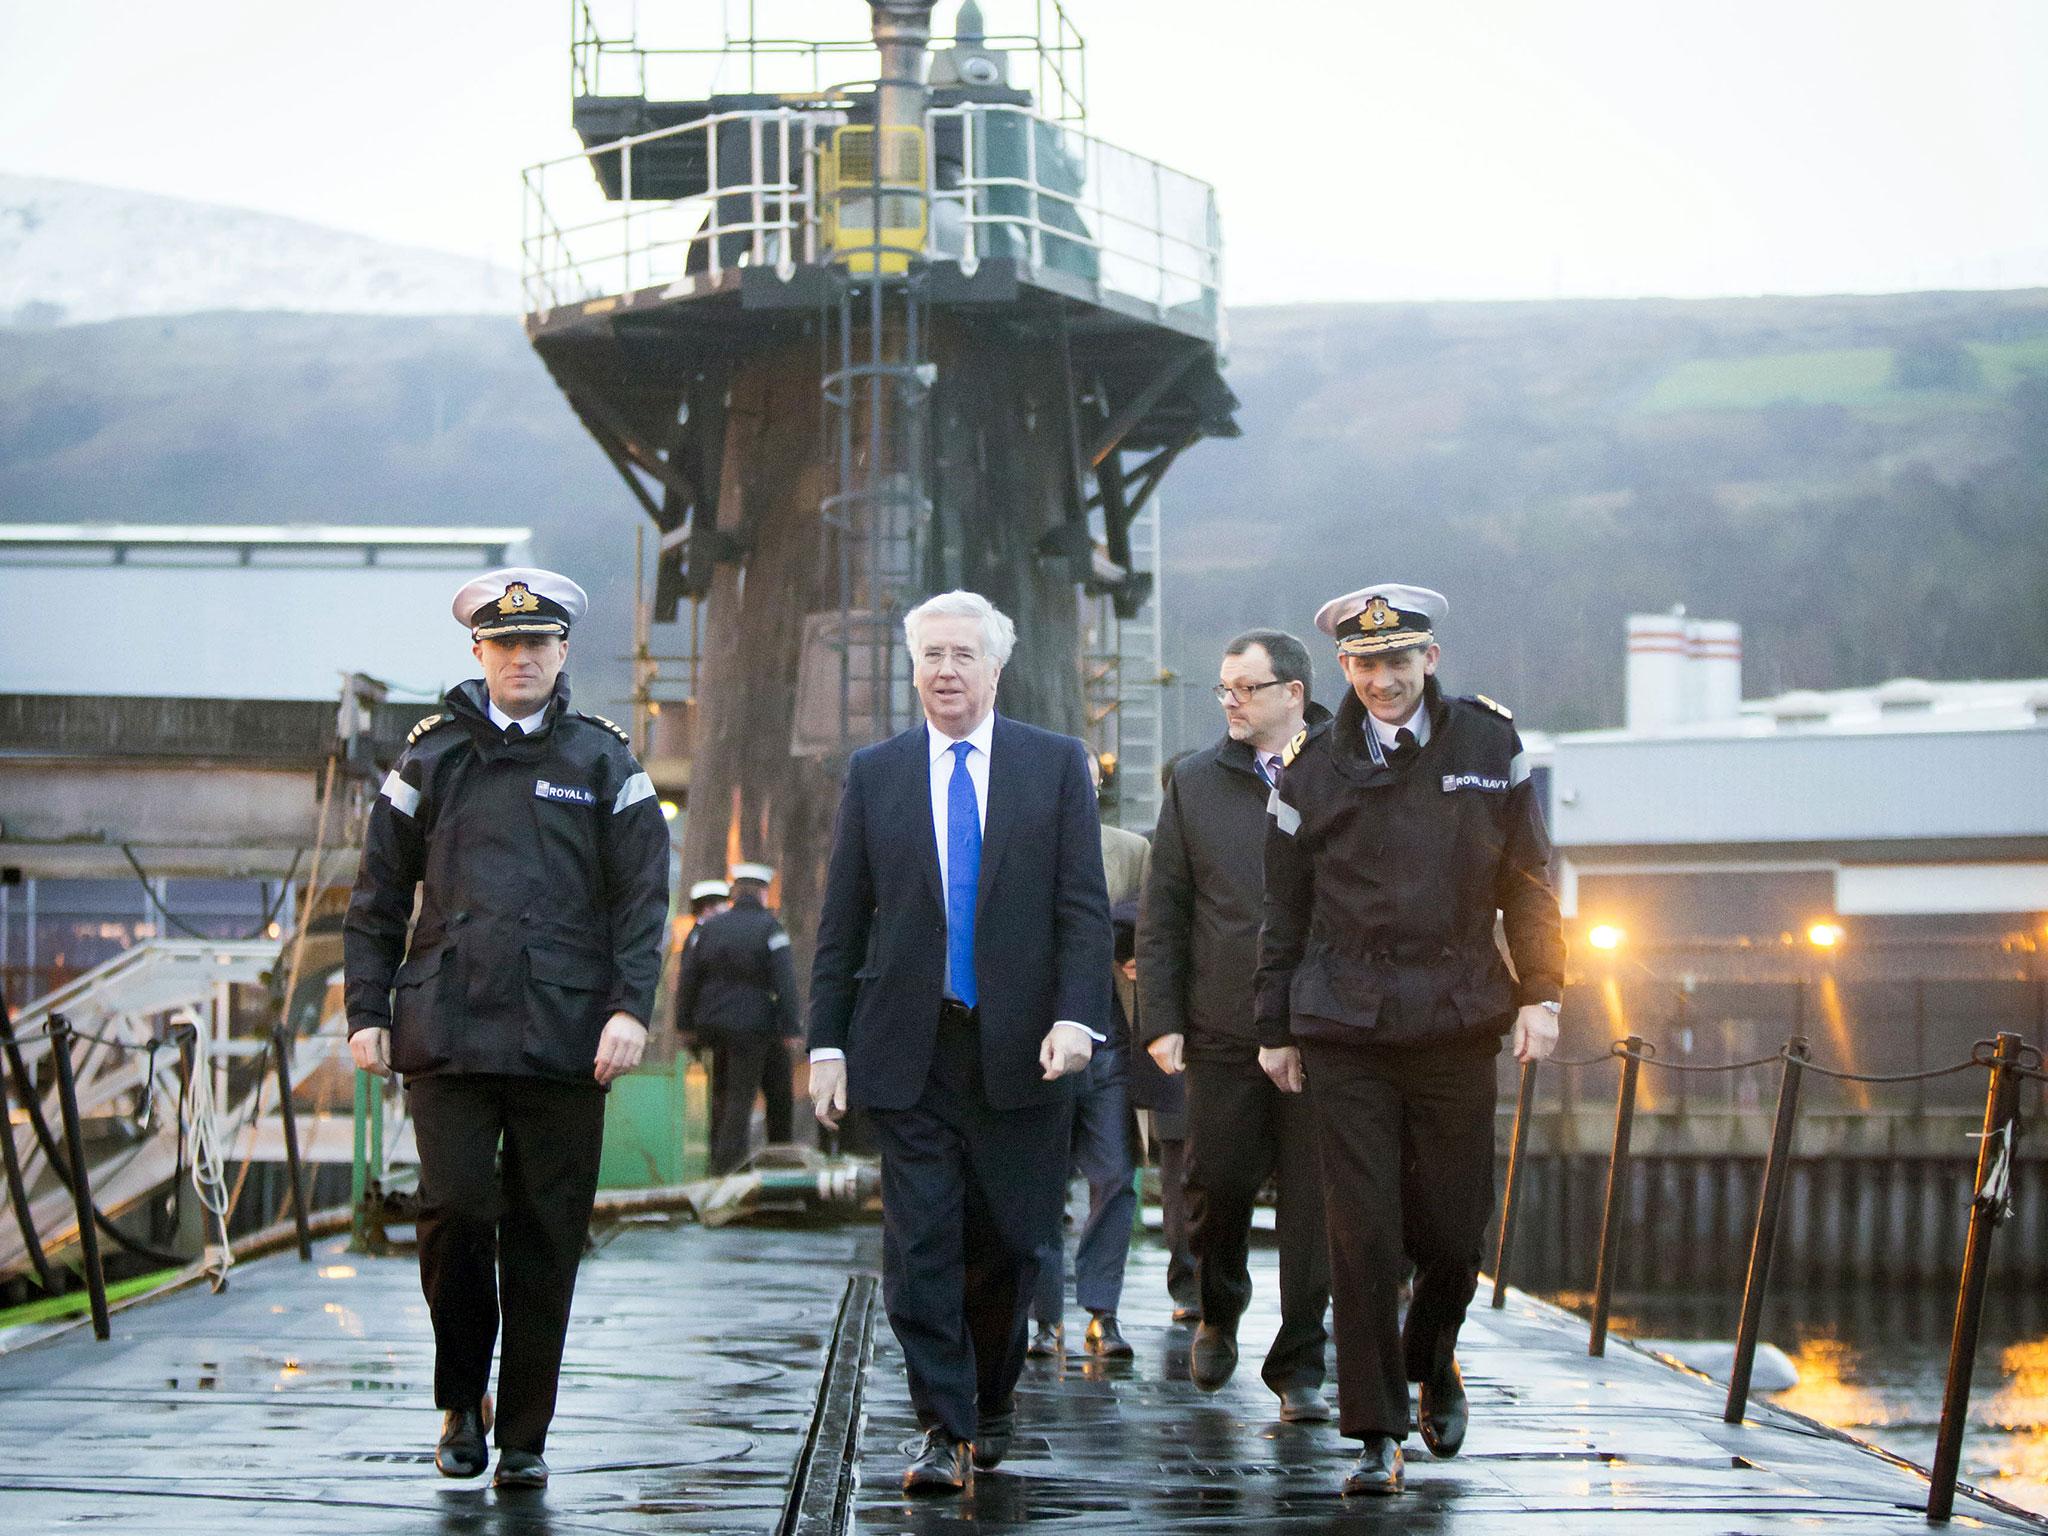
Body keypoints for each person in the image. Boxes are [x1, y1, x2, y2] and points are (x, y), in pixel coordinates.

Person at [344, 567, 670, 1490]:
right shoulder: (430, 759)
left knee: (546, 1231)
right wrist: (367, 1011)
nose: (521, 657)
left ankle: (524, 1432)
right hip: (446, 1027)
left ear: (562, 653)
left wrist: (629, 1009)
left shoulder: (607, 763)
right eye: (504, 643)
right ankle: (461, 1402)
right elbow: (375, 898)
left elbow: (643, 903)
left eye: (538, 643)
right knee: (452, 1212)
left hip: (566, 1036)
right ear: (478, 653)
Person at [1255, 583, 1563, 1497]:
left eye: (1398, 661)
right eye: (1364, 664)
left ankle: (1435, 1354)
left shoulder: (1487, 743)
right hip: (1345, 1021)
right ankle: (1377, 1433)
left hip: (1458, 1014)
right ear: (1343, 670)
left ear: (1429, 659)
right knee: (1362, 1233)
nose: (1382, 680)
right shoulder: (1309, 767)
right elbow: (1285, 911)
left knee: (1455, 1228)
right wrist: (1273, 1026)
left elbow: (1530, 878)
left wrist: (1543, 992)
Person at [808, 589, 1111, 1495]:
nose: (946, 670)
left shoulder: (1055, 767)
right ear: (913, 668)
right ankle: (942, 1426)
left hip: (1024, 1049)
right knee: (922, 1245)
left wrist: (1076, 1015)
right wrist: (827, 1044)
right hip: (912, 1046)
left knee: (1014, 1241)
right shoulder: (878, 772)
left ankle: (992, 1392)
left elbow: (1083, 911)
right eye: (931, 655)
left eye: (963, 656)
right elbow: (841, 924)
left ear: (995, 668)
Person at [1137, 630, 1334, 1423]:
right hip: (1223, 1027)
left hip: (1322, 1026)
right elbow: (1164, 913)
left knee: (1315, 1205)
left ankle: (1300, 1366)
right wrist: (1162, 1018)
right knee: (1215, 1186)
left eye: (1246, 689)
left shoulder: (1344, 773)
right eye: (1224, 688)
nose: (1231, 702)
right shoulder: (1194, 782)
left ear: (1294, 693)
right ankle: (1218, 1310)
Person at [1027, 772, 1148, 1360]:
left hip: (1109, 1044)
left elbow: (1156, 920)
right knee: (1039, 1186)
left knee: (1115, 1177)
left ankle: (1102, 1311)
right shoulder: (1017, 845)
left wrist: (1134, 950)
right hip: (1038, 1044)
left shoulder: (1126, 851)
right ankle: (1043, 1317)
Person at [677, 863, 800, 1173]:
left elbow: (689, 977)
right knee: (742, 1097)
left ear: (734, 892)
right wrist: (791, 1025)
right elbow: (785, 980)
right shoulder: (770, 928)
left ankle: (723, 1163)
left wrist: (685, 1024)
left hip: (711, 1024)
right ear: (762, 892)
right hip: (753, 1025)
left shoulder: (710, 928)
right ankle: (730, 1170)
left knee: (724, 1093)